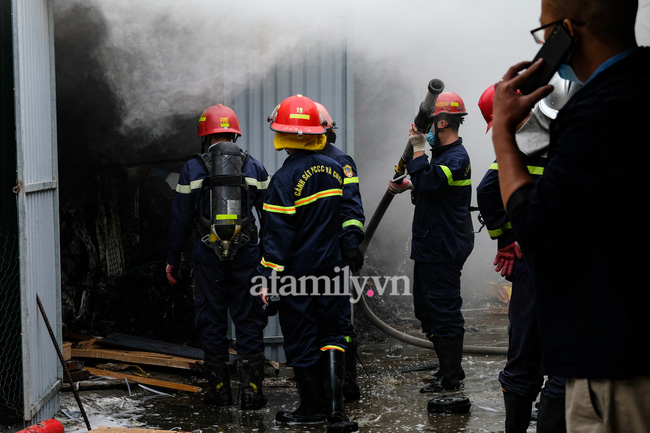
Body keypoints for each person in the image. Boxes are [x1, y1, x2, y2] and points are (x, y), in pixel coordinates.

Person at [492, 0, 650, 431]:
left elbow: (538, 231)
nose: (543, 43)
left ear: (566, 31)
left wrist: (505, 132)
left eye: (545, 32)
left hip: (616, 368)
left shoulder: (601, 110)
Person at [477, 75, 580, 433]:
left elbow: (488, 189)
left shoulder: (523, 143)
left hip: (532, 265)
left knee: (523, 357)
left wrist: (507, 240)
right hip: (572, 265)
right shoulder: (570, 137)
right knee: (567, 362)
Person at [257, 94, 358, 433]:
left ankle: (311, 407)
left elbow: (277, 237)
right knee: (332, 332)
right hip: (332, 269)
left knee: (301, 337)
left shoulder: (283, 180)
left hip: (297, 275)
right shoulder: (334, 168)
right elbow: (346, 213)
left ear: (283, 135)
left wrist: (268, 278)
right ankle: (336, 411)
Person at [166, 104, 269, 410]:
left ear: (204, 136)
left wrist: (174, 258)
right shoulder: (254, 166)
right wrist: (268, 261)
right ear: (235, 133)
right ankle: (252, 393)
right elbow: (271, 217)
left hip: (207, 257)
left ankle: (219, 392)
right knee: (249, 321)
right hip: (247, 257)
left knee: (212, 321)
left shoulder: (193, 168)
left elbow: (180, 218)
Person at [388, 92, 474, 393]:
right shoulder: (442, 158)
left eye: (429, 126)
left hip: (444, 246)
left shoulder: (457, 158)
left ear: (440, 122)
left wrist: (418, 149)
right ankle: (449, 367)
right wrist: (408, 183)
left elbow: (432, 181)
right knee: (426, 311)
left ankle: (450, 378)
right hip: (430, 244)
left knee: (445, 311)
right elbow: (430, 183)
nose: (425, 132)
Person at [316, 101, 365, 402]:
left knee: (338, 319)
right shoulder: (296, 162)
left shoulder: (340, 161)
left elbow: (351, 206)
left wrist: (350, 243)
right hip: (309, 255)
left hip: (333, 253)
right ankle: (323, 386)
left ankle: (346, 384)